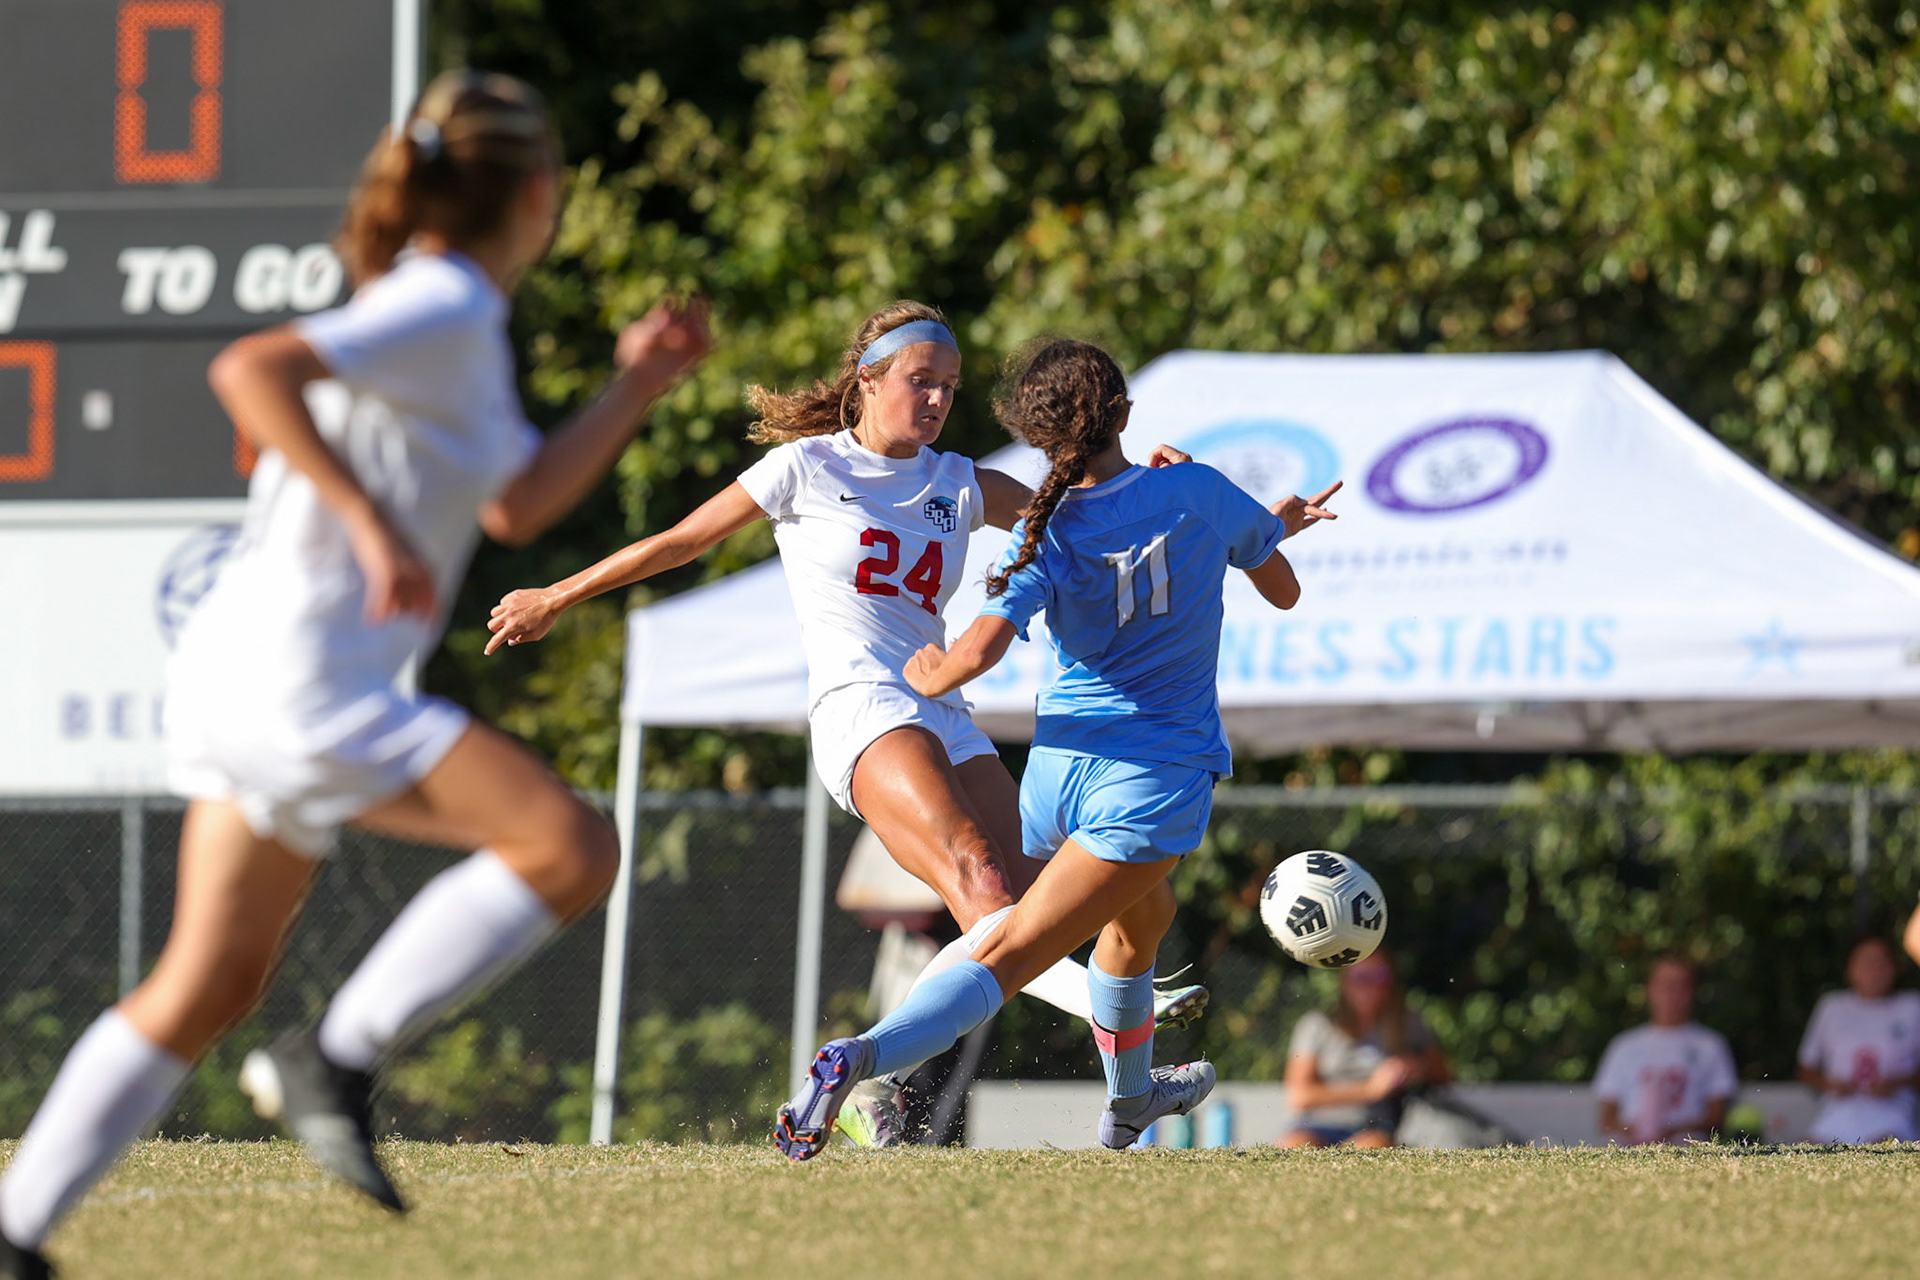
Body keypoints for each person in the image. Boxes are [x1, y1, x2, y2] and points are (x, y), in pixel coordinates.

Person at [0, 71, 710, 1279]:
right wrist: (368, 526)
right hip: (302, 677)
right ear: (537, 195)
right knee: (571, 848)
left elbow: (518, 499)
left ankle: (14, 1235)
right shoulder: (438, 300)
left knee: (203, 982)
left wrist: (636, 386)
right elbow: (252, 370)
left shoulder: (455, 322)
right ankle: (337, 1055)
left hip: (243, 675)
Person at [484, 304, 1208, 1146]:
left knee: (1036, 897)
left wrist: (1152, 481)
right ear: (867, 378)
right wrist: (555, 595)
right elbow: (679, 543)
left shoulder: (958, 482)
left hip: (945, 708)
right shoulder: (804, 467)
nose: (936, 400)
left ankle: (869, 1086)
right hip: (862, 706)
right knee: (982, 884)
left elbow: (1084, 516)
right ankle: (1108, 1012)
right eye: (920, 381)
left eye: (949, 386)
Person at [770, 337, 1341, 1159]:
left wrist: (938, 671)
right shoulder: (1196, 489)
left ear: (1036, 438)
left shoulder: (1045, 528)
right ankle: (861, 1064)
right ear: (1126, 413)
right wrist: (1258, 534)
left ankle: (1133, 1097)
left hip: (1061, 776)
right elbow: (1281, 589)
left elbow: (982, 646)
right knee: (1005, 953)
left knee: (1142, 919)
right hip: (1153, 777)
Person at [1276, 951, 1450, 1148]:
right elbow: (1299, 1096)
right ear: (1345, 981)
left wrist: (1415, 1066)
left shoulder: (1407, 1023)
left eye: (1381, 976)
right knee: (1294, 1146)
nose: (1372, 986)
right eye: (1362, 977)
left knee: (1373, 1147)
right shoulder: (1318, 1025)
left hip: (1372, 1127)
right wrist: (1369, 1089)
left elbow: (1444, 1076)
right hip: (1315, 1125)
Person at [1592, 954, 1738, 1145]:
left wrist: (1673, 1132)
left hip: (1689, 1149)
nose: (1671, 993)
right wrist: (1637, 1133)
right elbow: (1607, 1119)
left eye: (1679, 985)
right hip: (1631, 1148)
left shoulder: (1710, 1045)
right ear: (1650, 989)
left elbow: (1717, 1118)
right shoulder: (1624, 1046)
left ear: (1692, 991)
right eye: (1664, 984)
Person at [1796, 934, 1920, 1143]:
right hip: (1838, 1113)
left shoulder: (1912, 1007)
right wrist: (1832, 1085)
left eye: (1880, 962)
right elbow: (1805, 1070)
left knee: (1883, 1147)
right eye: (1865, 963)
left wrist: (1897, 1083)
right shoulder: (1832, 1006)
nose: (1873, 971)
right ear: (1849, 969)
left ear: (1894, 968)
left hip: (1894, 1114)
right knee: (1809, 1149)